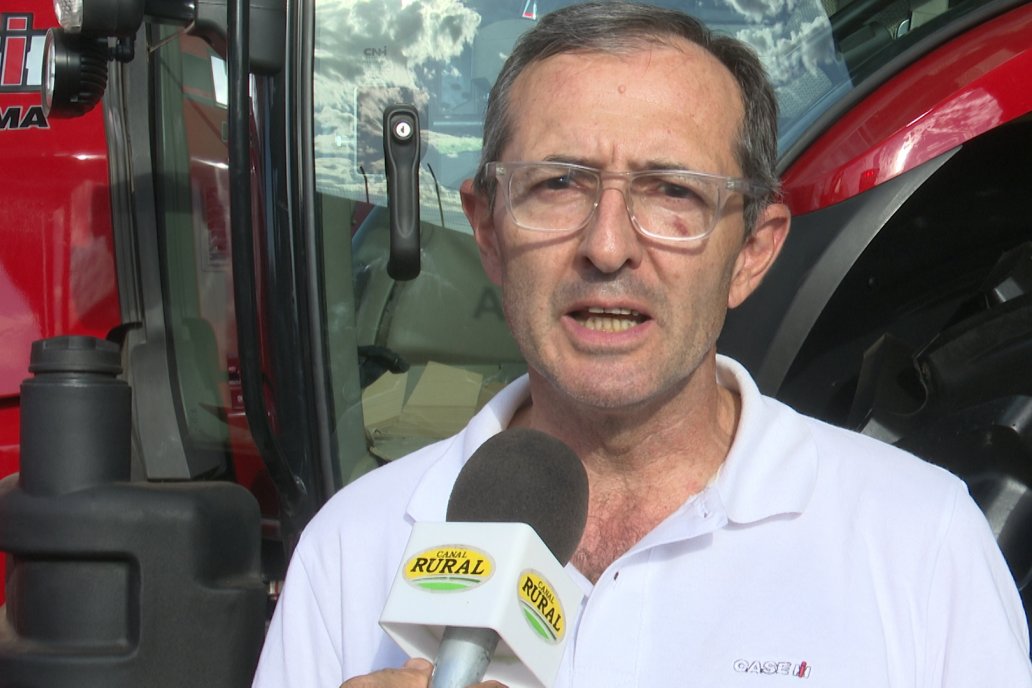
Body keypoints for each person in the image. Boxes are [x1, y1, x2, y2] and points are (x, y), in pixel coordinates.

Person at [252, 2, 1032, 686]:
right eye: (559, 183)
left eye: (672, 191)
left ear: (753, 251)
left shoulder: (919, 541)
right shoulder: (353, 548)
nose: (607, 245)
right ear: (487, 229)